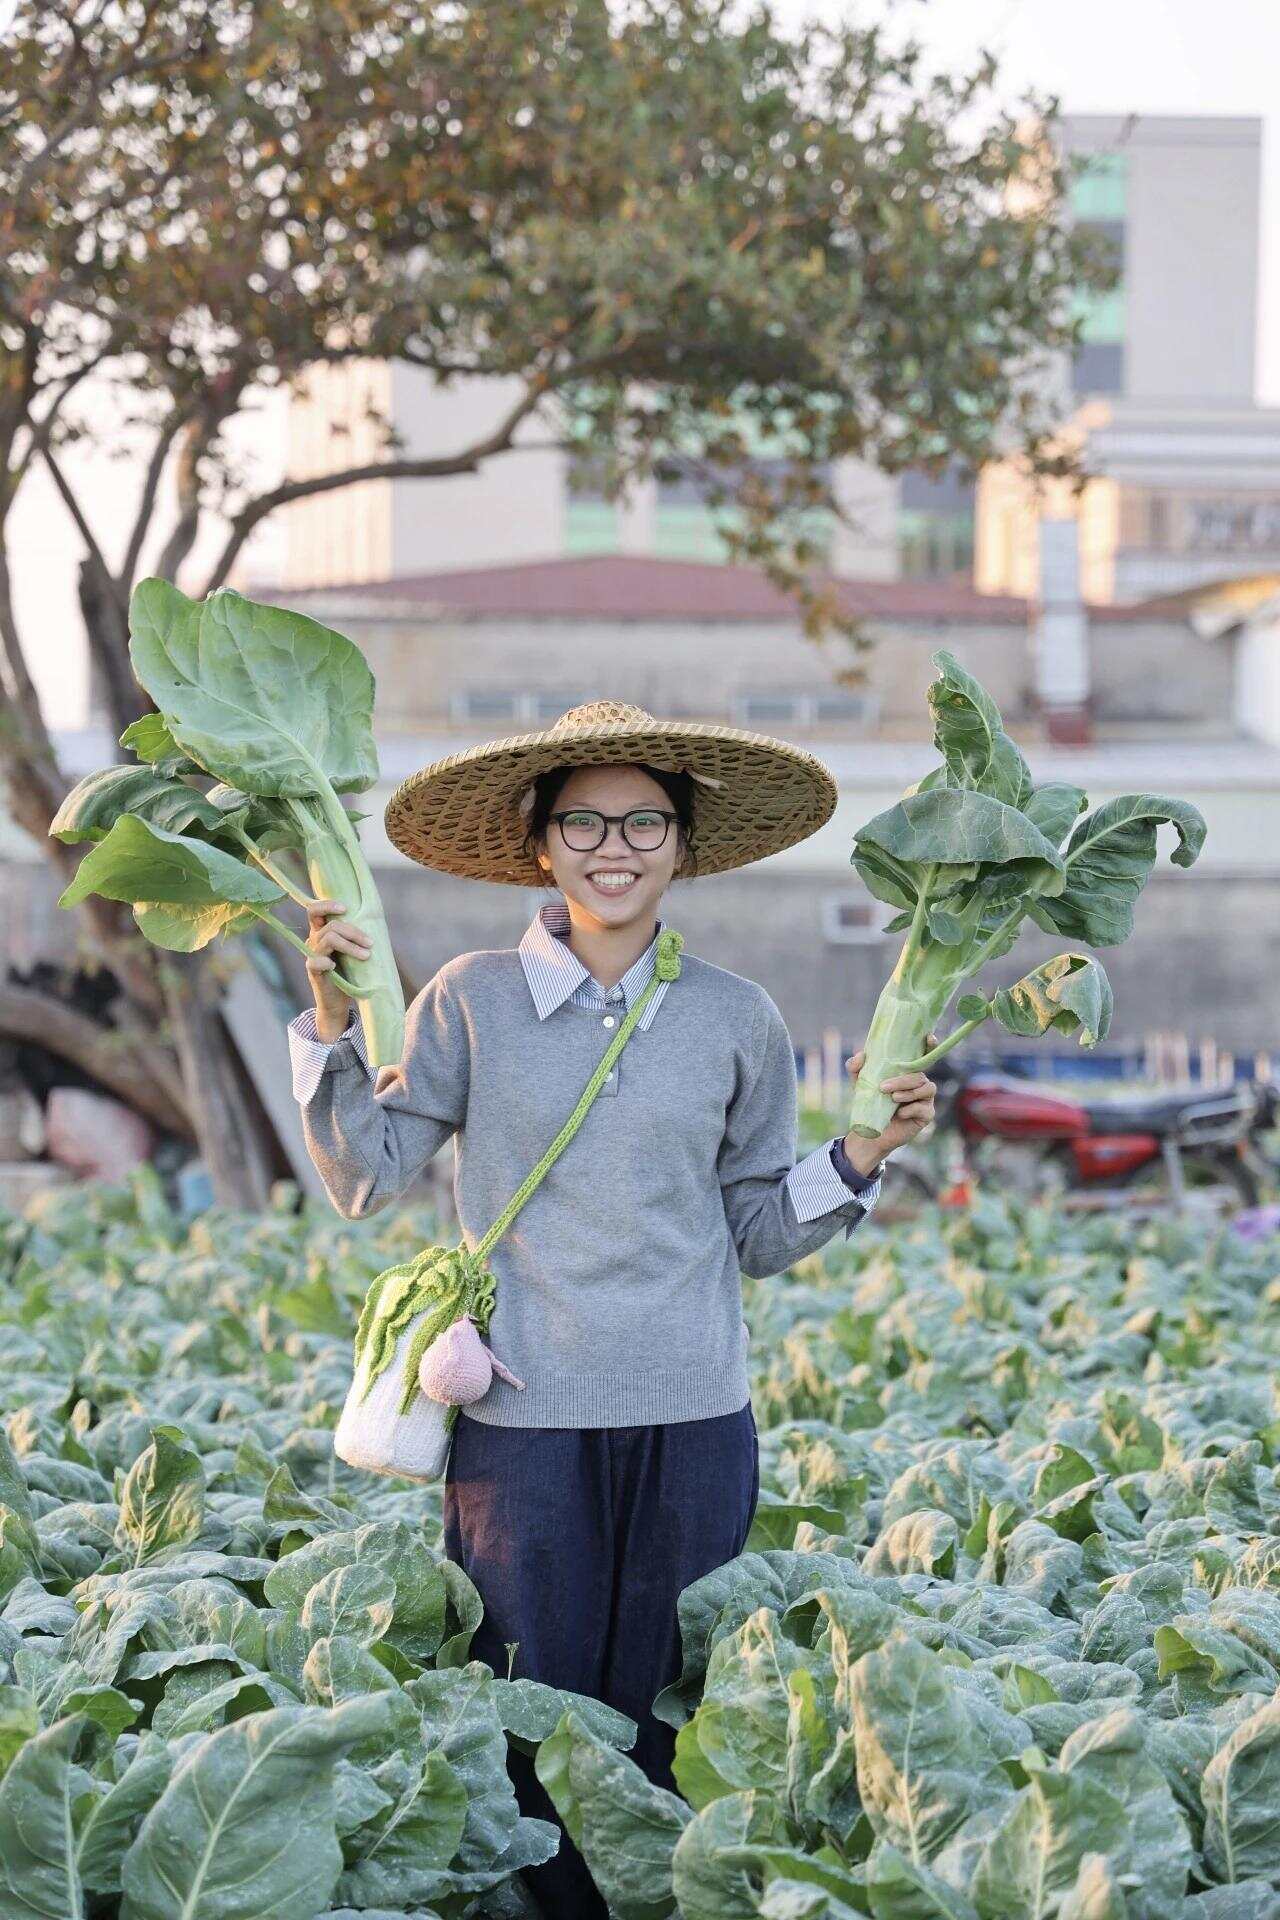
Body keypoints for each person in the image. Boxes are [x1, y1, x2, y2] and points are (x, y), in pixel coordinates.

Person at [286, 699, 935, 1920]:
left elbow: (754, 1229)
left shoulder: (738, 1015)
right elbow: (363, 1172)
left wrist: (862, 1156)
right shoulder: (468, 999)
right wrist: (328, 1021)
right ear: (540, 847)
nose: (613, 845)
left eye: (643, 821)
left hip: (694, 1415)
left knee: (663, 1719)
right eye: (581, 821)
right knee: (527, 1707)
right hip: (516, 1423)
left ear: (681, 847)